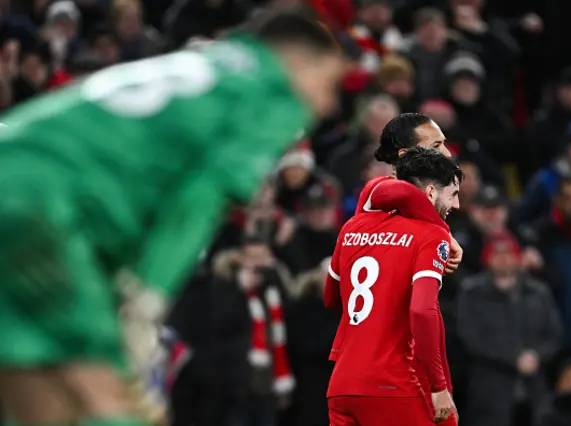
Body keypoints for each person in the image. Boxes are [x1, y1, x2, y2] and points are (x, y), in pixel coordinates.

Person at [0, 10, 345, 426]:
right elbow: (201, 197)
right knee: (108, 392)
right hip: (42, 204)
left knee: (37, 385)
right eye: (330, 84)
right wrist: (149, 297)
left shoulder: (208, 66)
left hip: (17, 174)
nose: (327, 104)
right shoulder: (269, 88)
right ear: (299, 61)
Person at [325, 147, 462, 425]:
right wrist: (438, 387)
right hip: (392, 384)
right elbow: (423, 311)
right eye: (454, 194)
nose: (457, 206)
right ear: (432, 192)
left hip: (342, 386)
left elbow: (330, 298)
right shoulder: (431, 235)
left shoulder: (353, 227)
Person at [354, 112, 462, 275]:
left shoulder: (434, 194)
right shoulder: (379, 190)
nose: (447, 153)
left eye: (444, 144)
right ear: (405, 155)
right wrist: (443, 231)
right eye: (435, 146)